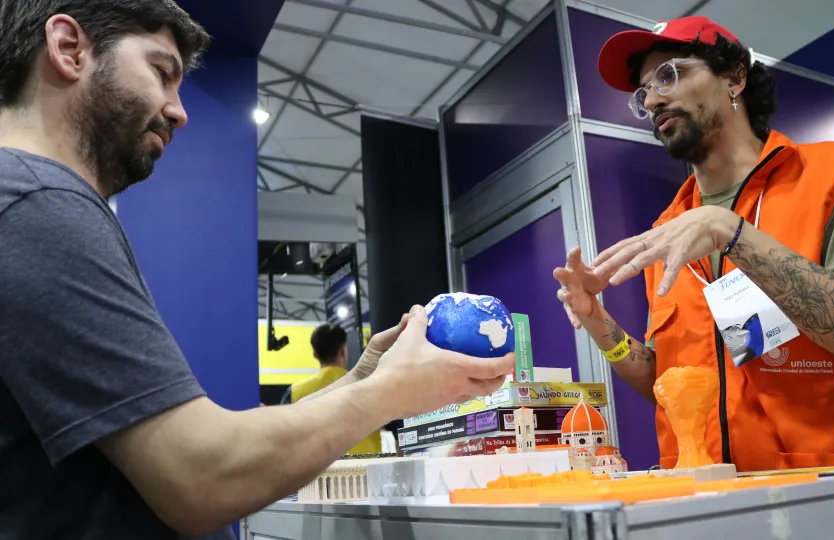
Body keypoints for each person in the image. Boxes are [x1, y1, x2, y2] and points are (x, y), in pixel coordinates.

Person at [0, 2, 515, 539]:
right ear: (67, 48)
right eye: (161, 72)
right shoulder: (38, 201)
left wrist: (365, 381)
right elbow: (201, 476)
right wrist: (394, 391)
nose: (179, 111)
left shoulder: (36, 203)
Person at [554, 15, 834, 472]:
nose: (652, 99)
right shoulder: (668, 231)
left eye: (669, 74)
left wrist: (730, 232)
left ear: (735, 78)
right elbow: (669, 380)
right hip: (709, 499)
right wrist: (598, 324)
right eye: (643, 92)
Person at [280, 323, 383, 455]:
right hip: (367, 467)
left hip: (317, 471)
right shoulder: (370, 384)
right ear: (342, 351)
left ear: (315, 354)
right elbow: (397, 425)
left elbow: (282, 437)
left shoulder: (295, 392)